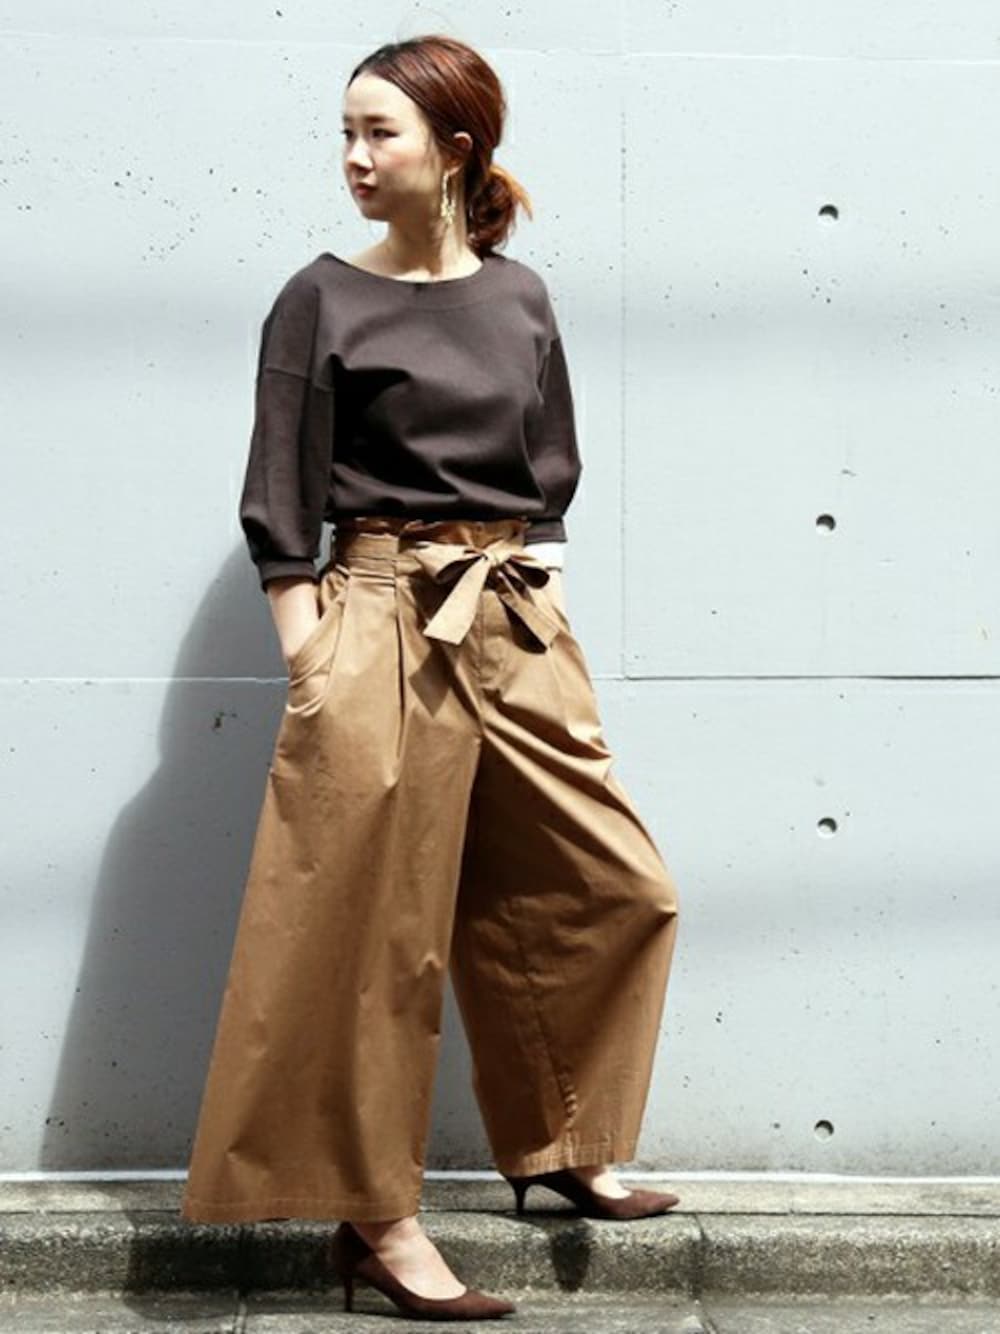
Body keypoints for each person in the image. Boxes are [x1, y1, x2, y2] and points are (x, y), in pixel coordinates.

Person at [180, 33, 681, 1321]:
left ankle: (561, 1140)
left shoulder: (520, 296)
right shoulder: (320, 298)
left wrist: (542, 587)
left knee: (610, 885)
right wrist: (312, 651)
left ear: (456, 150)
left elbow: (549, 466)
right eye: (344, 132)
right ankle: (378, 1221)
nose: (353, 157)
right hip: (376, 616)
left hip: (508, 612)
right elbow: (280, 490)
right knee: (373, 939)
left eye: (379, 132)